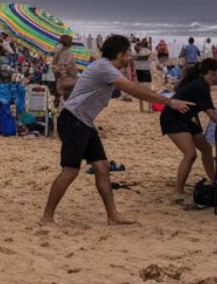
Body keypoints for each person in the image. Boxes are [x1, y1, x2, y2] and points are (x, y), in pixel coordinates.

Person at [40, 35, 191, 225]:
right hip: (73, 120)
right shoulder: (104, 67)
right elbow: (131, 88)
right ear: (119, 54)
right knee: (70, 170)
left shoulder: (106, 67)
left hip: (84, 122)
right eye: (127, 53)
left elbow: (129, 86)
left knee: (102, 167)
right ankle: (47, 216)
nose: (129, 57)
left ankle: (113, 216)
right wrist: (169, 101)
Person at [161, 57, 217, 197]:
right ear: (211, 72)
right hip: (172, 119)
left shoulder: (202, 85)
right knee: (190, 154)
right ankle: (178, 191)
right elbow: (211, 113)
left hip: (184, 119)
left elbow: (197, 108)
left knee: (206, 148)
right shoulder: (200, 86)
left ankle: (214, 180)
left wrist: (197, 127)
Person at [51, 34, 78, 108]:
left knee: (61, 96)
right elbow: (71, 68)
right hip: (66, 79)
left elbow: (54, 64)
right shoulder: (68, 52)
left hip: (61, 78)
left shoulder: (60, 51)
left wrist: (58, 70)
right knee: (65, 98)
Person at [132, 45, 154, 111]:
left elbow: (135, 70)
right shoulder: (147, 58)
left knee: (140, 92)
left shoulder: (136, 58)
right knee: (148, 91)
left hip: (140, 74)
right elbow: (151, 54)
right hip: (146, 73)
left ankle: (141, 108)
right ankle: (150, 108)